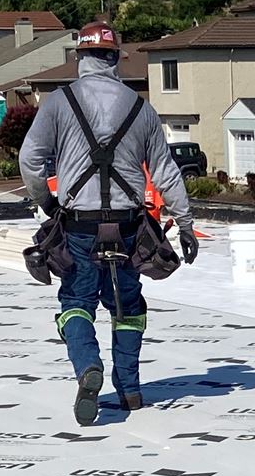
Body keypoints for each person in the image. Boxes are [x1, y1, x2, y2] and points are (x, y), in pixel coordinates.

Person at [18, 24, 196, 425]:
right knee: (127, 307)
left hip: (78, 226)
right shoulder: (141, 108)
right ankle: (129, 390)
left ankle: (88, 367)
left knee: (76, 302)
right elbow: (166, 172)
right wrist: (185, 224)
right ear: (115, 59)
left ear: (79, 57)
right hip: (129, 227)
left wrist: (46, 201)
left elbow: (30, 160)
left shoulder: (59, 103)